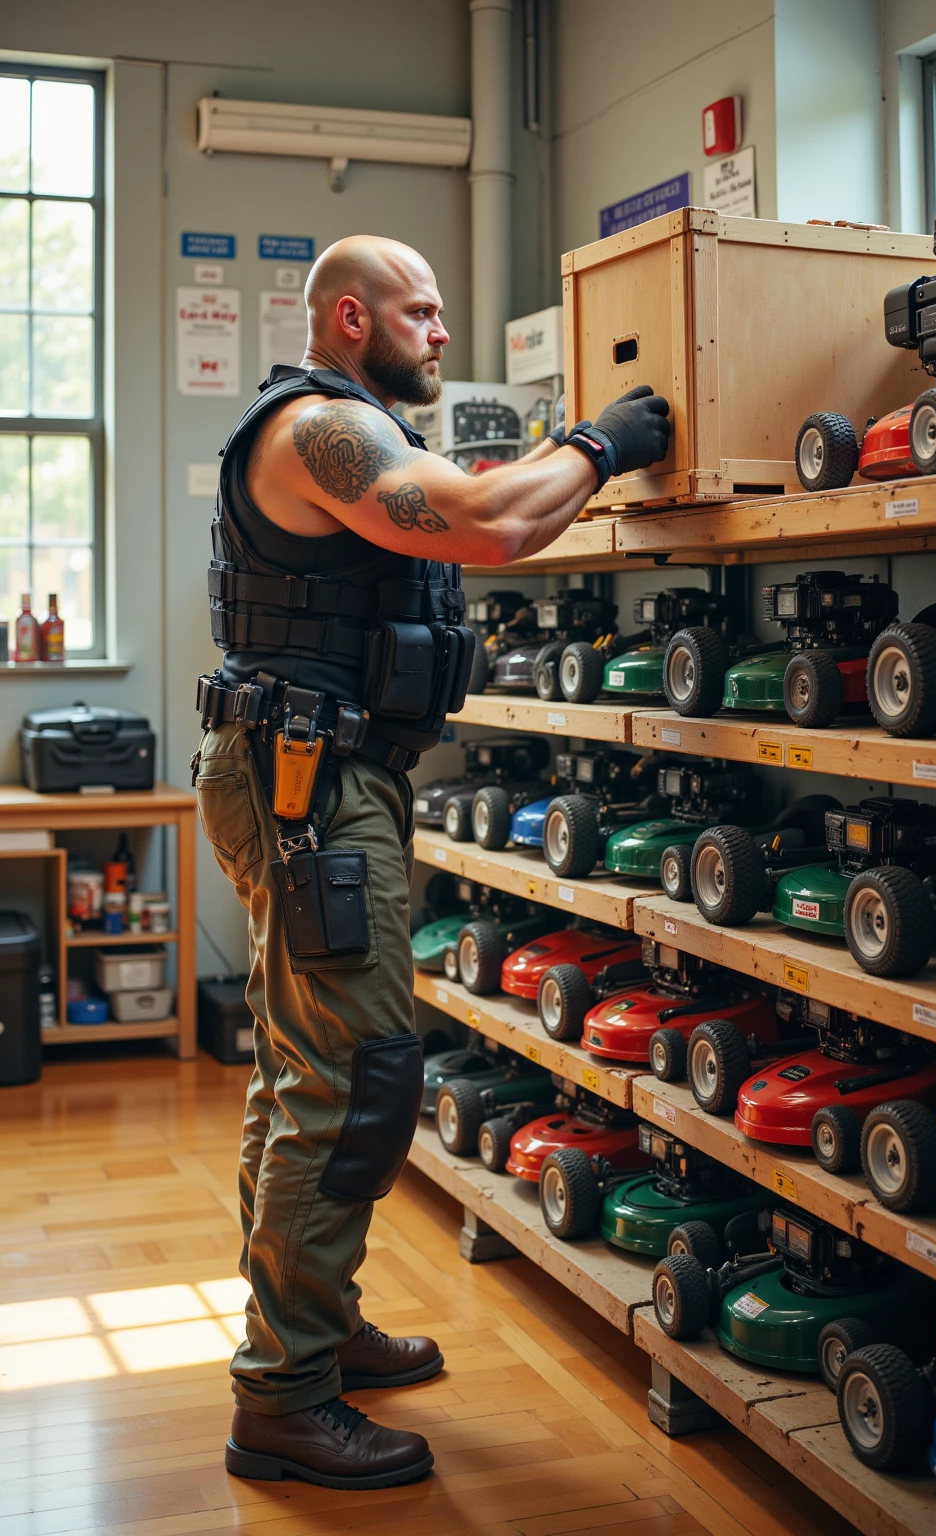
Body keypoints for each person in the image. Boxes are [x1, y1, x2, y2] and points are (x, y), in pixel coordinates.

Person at [193, 234, 671, 1492]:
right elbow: (495, 527)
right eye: (423, 312)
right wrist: (604, 441)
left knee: (307, 1067)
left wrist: (581, 465)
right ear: (352, 318)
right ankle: (282, 1399)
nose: (444, 333)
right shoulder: (314, 434)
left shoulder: (362, 436)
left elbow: (495, 525)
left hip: (323, 775)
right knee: (352, 1082)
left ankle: (314, 1331)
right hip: (305, 785)